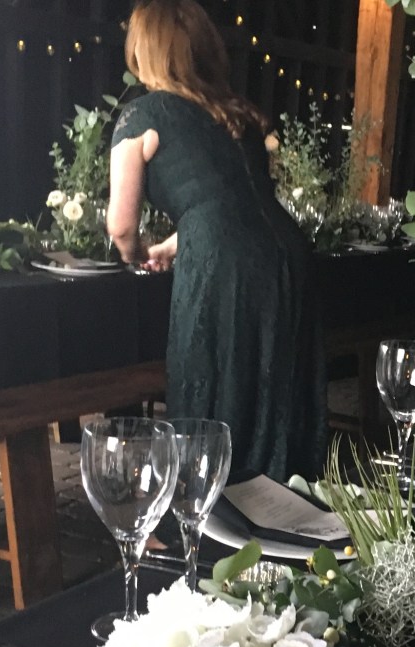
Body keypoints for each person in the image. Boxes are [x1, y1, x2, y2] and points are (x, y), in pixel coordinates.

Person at [107, 0, 326, 480]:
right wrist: (172, 246)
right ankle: (282, 503)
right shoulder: (236, 114)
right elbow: (232, 201)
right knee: (274, 381)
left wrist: (135, 254)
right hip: (288, 251)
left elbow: (121, 226)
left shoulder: (142, 115)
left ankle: (207, 505)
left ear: (144, 51)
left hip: (223, 262)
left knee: (212, 378)